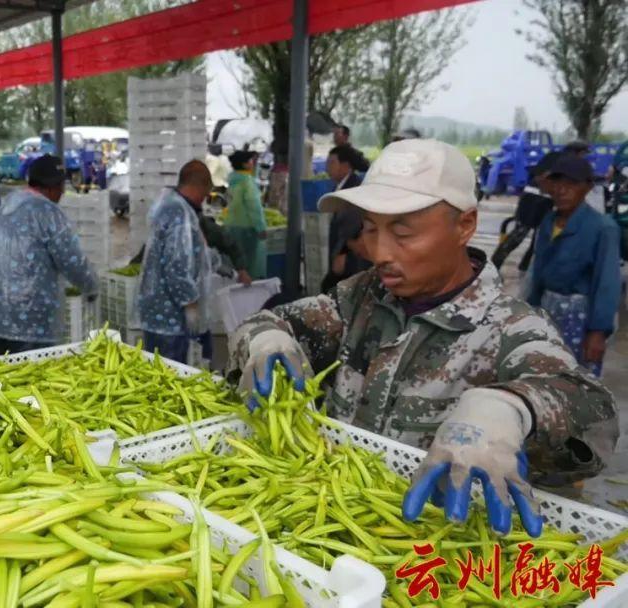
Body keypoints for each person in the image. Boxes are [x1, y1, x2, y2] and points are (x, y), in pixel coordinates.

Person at [230, 139, 617, 536]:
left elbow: (592, 414)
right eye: (369, 229)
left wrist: (514, 406)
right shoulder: (360, 297)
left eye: (403, 234)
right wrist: (264, 340)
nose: (379, 252)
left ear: (465, 225)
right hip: (332, 523)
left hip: (434, 545)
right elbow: (272, 321)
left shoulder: (511, 327)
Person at [0, 154, 98, 354]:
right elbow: (72, 260)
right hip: (33, 320)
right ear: (54, 187)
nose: (62, 193)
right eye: (62, 187)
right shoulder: (48, 213)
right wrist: (90, 287)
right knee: (32, 377)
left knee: (6, 372)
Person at [526, 155, 621, 377]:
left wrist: (598, 332)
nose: (562, 190)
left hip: (579, 317)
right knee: (540, 375)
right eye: (557, 183)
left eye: (571, 184)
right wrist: (528, 313)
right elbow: (538, 273)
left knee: (575, 380)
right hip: (546, 310)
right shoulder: (549, 222)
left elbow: (607, 284)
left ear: (588, 187)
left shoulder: (602, 228)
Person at [138, 160, 218, 364]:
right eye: (205, 193)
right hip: (168, 317)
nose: (204, 200)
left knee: (157, 372)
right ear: (198, 187)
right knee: (169, 377)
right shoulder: (179, 213)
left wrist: (215, 261)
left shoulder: (170, 205)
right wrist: (190, 303)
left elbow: (189, 253)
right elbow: (177, 265)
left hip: (158, 312)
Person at [492, 151, 558, 272]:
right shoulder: (563, 161)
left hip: (533, 199)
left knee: (531, 237)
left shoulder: (554, 157)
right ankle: (497, 265)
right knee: (522, 236)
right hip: (537, 200)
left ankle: (523, 265)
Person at [322, 145, 371, 292]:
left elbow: (353, 226)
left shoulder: (354, 189)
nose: (327, 168)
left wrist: (342, 252)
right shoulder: (340, 187)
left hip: (351, 259)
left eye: (331, 163)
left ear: (345, 166)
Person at [223, 151, 269, 280]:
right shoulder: (247, 183)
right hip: (247, 229)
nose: (253, 163)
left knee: (235, 265)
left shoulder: (233, 180)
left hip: (231, 225)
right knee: (250, 267)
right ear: (244, 164)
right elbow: (254, 207)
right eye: (250, 161)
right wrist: (261, 227)